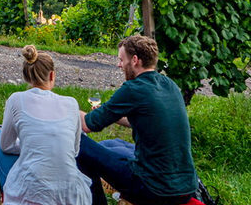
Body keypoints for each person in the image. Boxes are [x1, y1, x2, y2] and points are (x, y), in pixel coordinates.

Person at [76, 35, 197, 205]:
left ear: (134, 60)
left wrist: (64, 106)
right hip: (186, 187)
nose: (119, 65)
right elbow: (144, 121)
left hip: (153, 189)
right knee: (114, 144)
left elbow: (87, 124)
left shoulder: (134, 88)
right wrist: (113, 115)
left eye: (121, 59)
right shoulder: (168, 84)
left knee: (80, 145)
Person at [0, 45, 91, 205]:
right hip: (70, 193)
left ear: (26, 76)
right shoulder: (72, 103)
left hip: (31, 191)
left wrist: (29, 145)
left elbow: (6, 146)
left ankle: (6, 196)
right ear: (52, 75)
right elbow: (74, 151)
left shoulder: (16, 100)